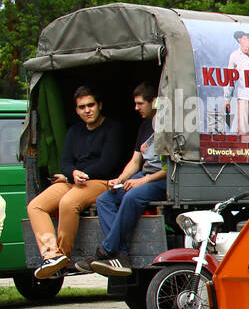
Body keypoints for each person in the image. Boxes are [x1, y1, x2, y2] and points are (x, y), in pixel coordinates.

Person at [28, 87, 128, 278]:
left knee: (68, 202)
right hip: (74, 180)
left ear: (99, 105)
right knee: (36, 206)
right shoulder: (74, 131)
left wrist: (82, 175)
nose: (87, 110)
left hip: (102, 181)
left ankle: (63, 259)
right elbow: (65, 162)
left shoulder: (113, 128)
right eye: (82, 107)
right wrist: (73, 173)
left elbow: (108, 163)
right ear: (76, 110)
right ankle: (52, 255)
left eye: (91, 105)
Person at [88, 83, 167, 277]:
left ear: (154, 102)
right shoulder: (144, 125)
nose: (136, 108)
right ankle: (121, 254)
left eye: (140, 103)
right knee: (104, 199)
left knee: (132, 197)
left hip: (162, 179)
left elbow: (170, 167)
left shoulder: (167, 126)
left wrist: (142, 181)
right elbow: (135, 161)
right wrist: (120, 180)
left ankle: (106, 250)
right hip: (145, 176)